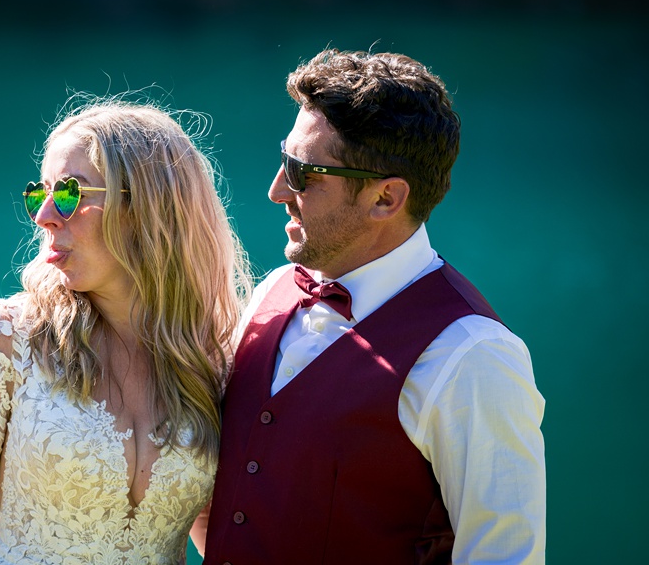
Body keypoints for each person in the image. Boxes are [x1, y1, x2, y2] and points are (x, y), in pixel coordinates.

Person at [194, 48, 546, 564]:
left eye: (302, 172)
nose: (275, 190)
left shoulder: (473, 355)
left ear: (386, 199)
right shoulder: (270, 292)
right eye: (282, 159)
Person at [0, 96, 252, 565]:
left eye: (70, 192)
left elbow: (220, 531)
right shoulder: (3, 343)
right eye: (40, 192)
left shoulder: (214, 360)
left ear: (149, 208)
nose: (44, 215)